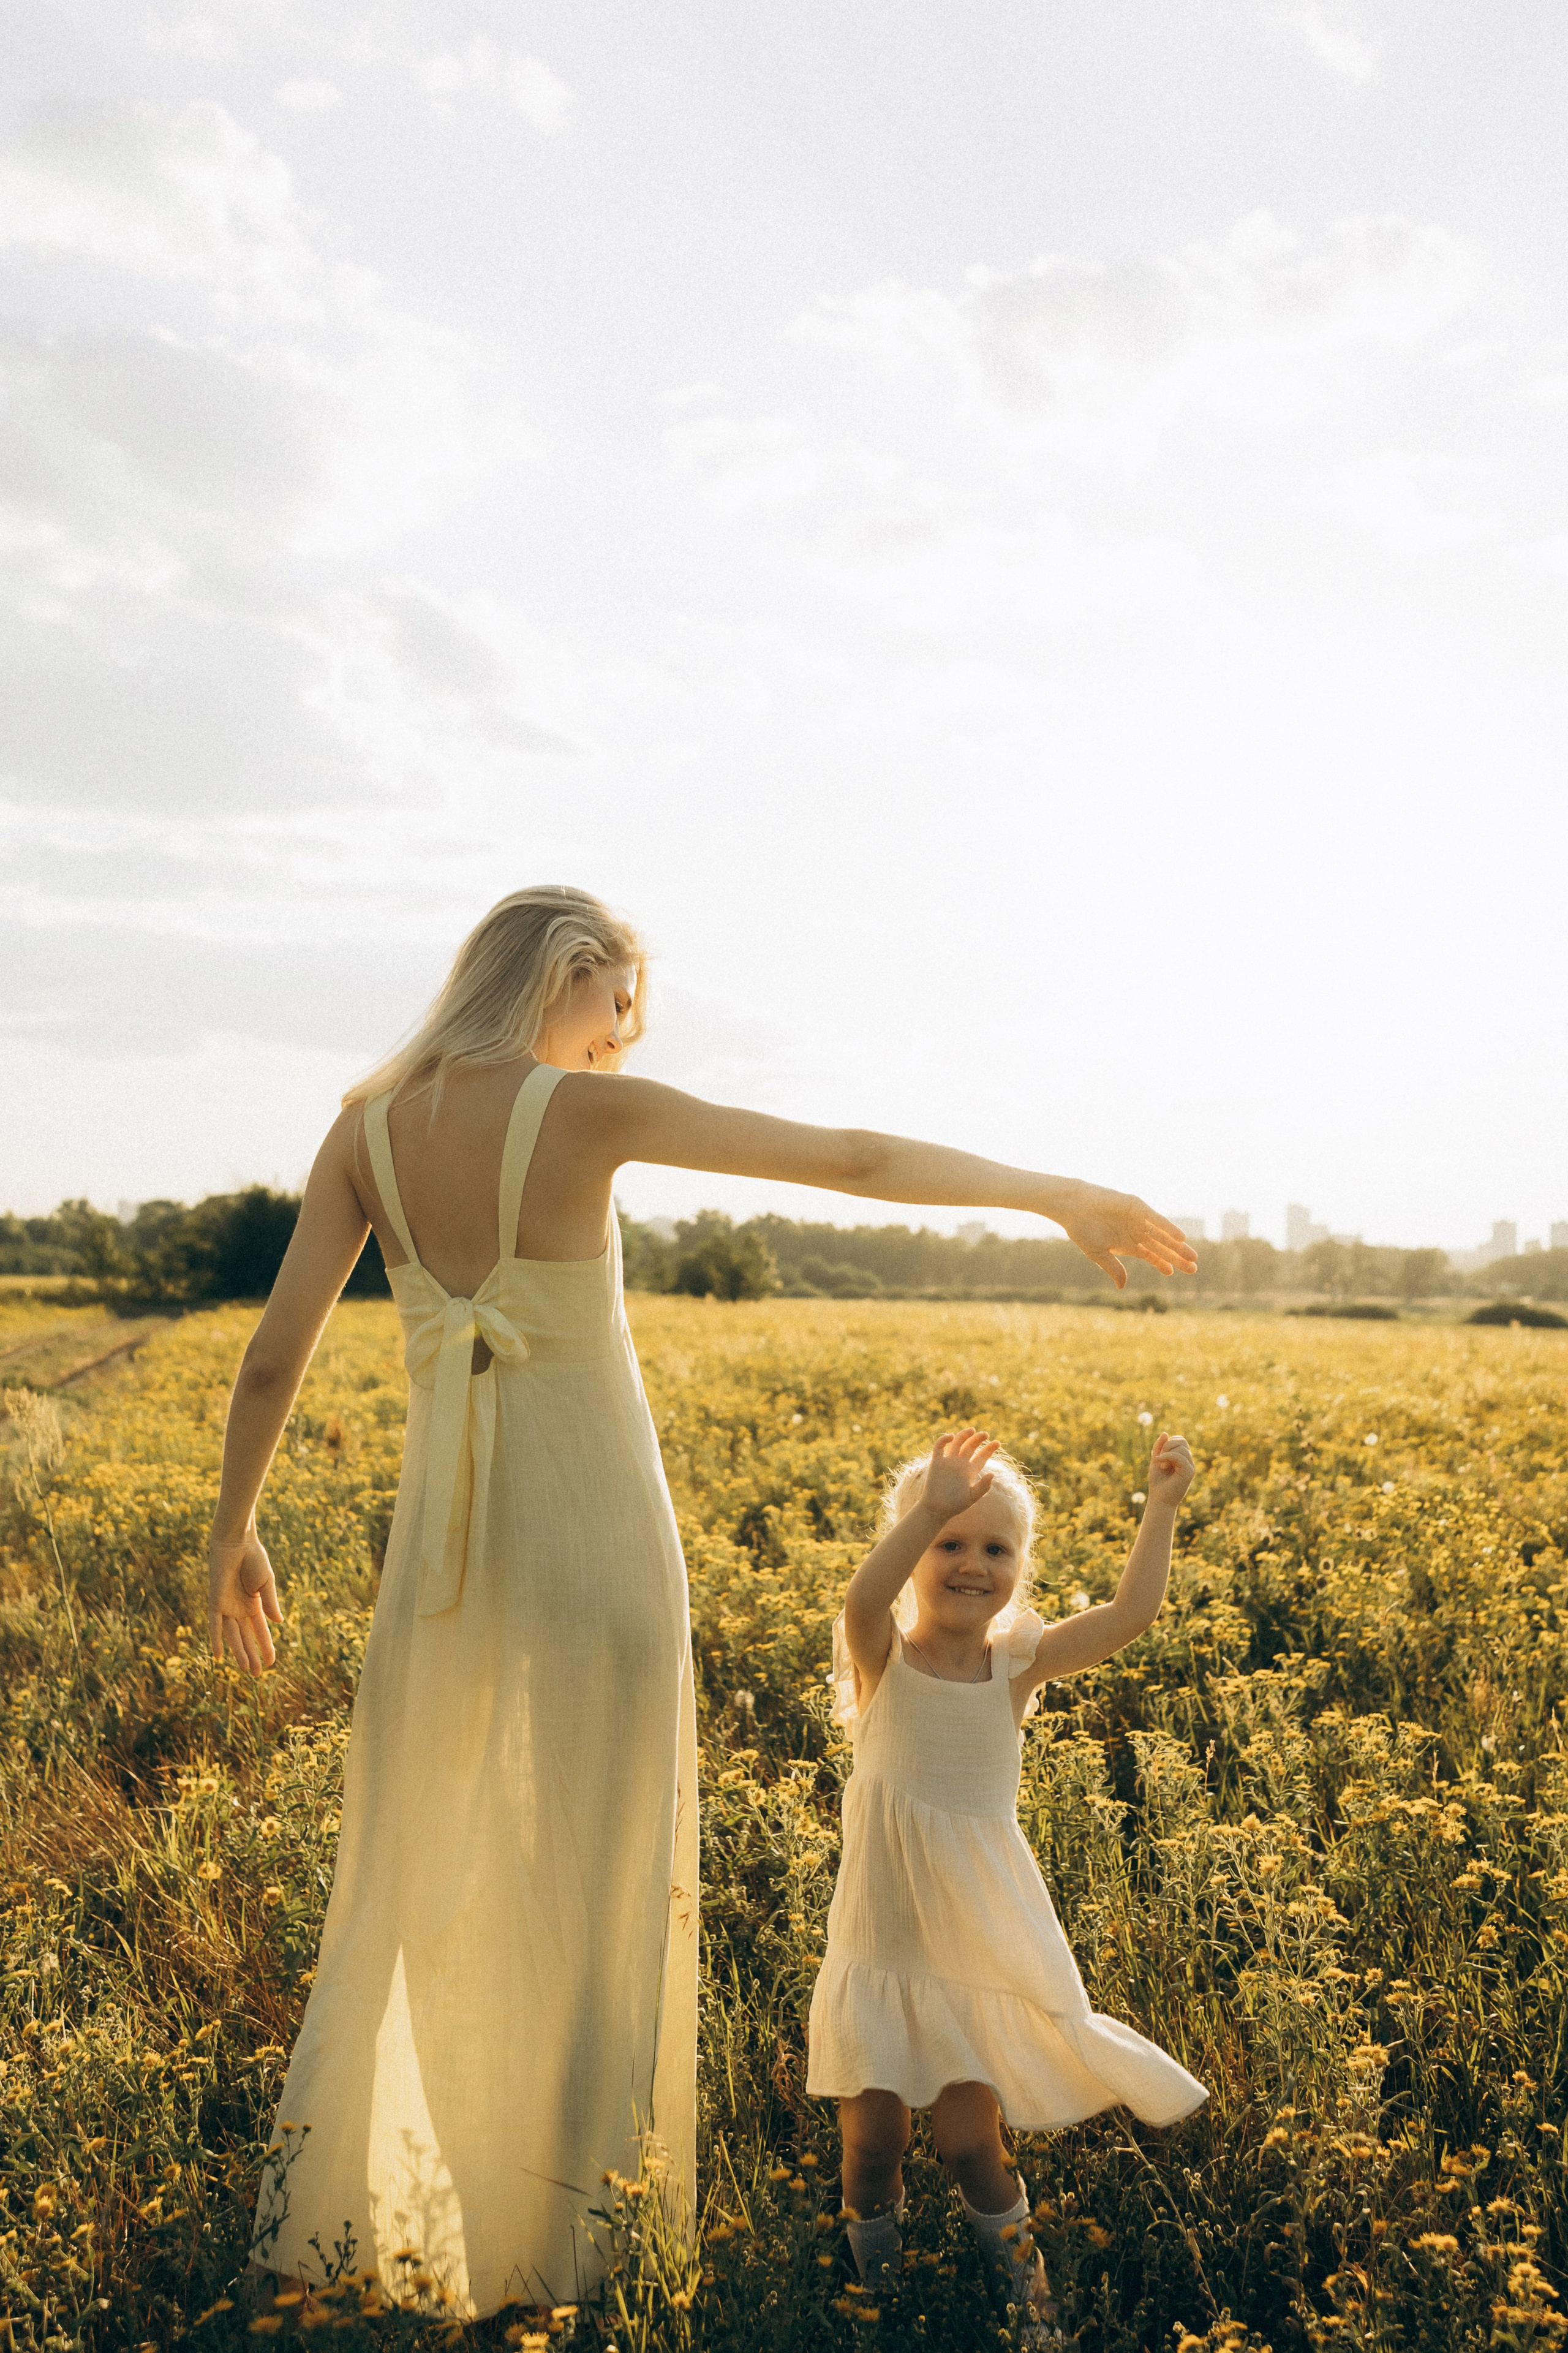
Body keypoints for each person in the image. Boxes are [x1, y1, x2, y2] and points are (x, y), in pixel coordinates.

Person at [206, 883, 1196, 2322]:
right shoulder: (579, 1111)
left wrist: (236, 1527)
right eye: (622, 1008)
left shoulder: (362, 1125)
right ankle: (569, 2243)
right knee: (603, 1886)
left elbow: (269, 1361)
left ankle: (426, 2219)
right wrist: (1052, 1191)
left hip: (443, 1561)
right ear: (574, 969)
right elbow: (844, 1155)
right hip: (602, 1552)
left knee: (436, 1861)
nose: (620, 1043)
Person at [808, 1424, 1206, 2343]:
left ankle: (1033, 2314)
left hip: (971, 1952)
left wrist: (1162, 1507)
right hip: (881, 1943)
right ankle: (879, 2300)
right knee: (870, 2149)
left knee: (968, 2144)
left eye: (996, 1546)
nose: (971, 1561)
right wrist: (930, 1506)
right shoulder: (883, 1659)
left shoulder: (1011, 1667)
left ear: (1021, 1565)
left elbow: (1127, 1617)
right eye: (949, 1540)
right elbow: (862, 1593)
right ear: (914, 1551)